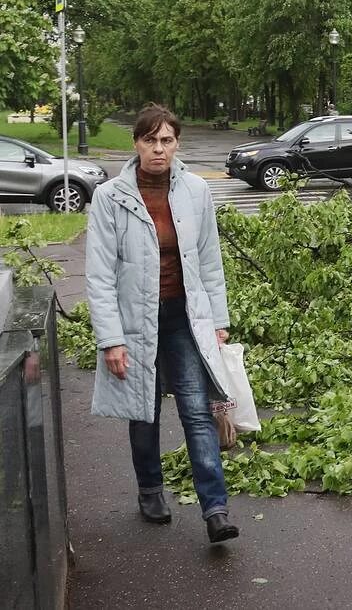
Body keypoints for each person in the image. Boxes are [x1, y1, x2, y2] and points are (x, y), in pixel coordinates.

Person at [86, 104, 239, 544]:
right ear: (135, 143)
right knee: (144, 409)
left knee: (196, 409)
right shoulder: (111, 197)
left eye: (166, 140)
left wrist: (218, 320)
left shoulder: (194, 190)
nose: (158, 149)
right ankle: (150, 489)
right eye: (150, 140)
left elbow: (209, 259)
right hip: (136, 321)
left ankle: (215, 509)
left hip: (183, 317)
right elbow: (99, 274)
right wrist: (111, 339)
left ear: (177, 143)